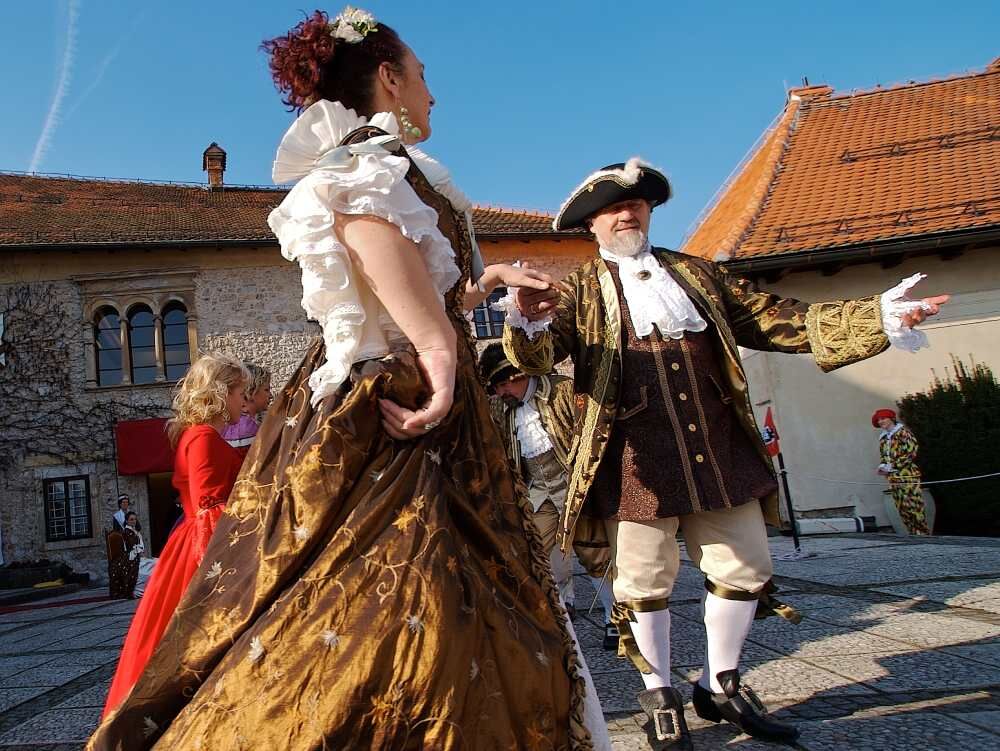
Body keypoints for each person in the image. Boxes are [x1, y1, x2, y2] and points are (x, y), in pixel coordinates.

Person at [88, 8, 608, 750]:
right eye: (422, 75)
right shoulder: (363, 164)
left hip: (419, 390)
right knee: (391, 596)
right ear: (389, 79)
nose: (433, 92)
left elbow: (423, 288)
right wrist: (439, 353)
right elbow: (367, 237)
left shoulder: (400, 168)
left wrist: (489, 283)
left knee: (443, 593)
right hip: (390, 399)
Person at [502, 158, 949, 748]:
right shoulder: (578, 290)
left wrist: (879, 316)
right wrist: (525, 321)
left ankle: (720, 685)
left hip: (716, 449)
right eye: (612, 208)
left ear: (649, 211)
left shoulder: (698, 274)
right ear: (592, 224)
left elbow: (780, 319)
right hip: (633, 461)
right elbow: (535, 360)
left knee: (745, 568)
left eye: (635, 203)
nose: (626, 213)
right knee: (642, 582)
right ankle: (660, 695)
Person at [100, 352, 247, 718]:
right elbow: (209, 506)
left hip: (192, 538)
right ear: (221, 393)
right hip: (200, 544)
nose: (243, 402)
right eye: (240, 393)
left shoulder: (199, 435)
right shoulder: (202, 437)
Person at [479, 342, 618, 645]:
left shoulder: (562, 391)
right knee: (534, 554)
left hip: (575, 487)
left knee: (594, 553)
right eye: (497, 387)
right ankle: (555, 620)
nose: (501, 391)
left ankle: (614, 619)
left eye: (505, 384)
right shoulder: (502, 407)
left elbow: (592, 435)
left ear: (520, 375)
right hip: (538, 492)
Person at [873, 408, 930, 535]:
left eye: (883, 418)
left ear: (891, 419)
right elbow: (884, 456)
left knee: (913, 505)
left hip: (908, 475)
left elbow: (911, 452)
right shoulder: (884, 438)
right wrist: (883, 467)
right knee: (902, 507)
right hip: (893, 477)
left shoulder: (903, 432)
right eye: (879, 420)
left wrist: (893, 465)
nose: (880, 421)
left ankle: (923, 534)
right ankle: (912, 533)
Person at [222, 363, 273, 458]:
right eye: (266, 390)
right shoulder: (248, 428)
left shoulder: (226, 425)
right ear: (251, 391)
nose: (270, 396)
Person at [108, 511, 145, 600]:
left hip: (136, 555)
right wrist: (138, 551)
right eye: (131, 519)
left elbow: (141, 546)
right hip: (130, 556)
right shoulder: (126, 532)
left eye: (135, 519)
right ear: (127, 521)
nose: (134, 521)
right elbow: (131, 546)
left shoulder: (135, 531)